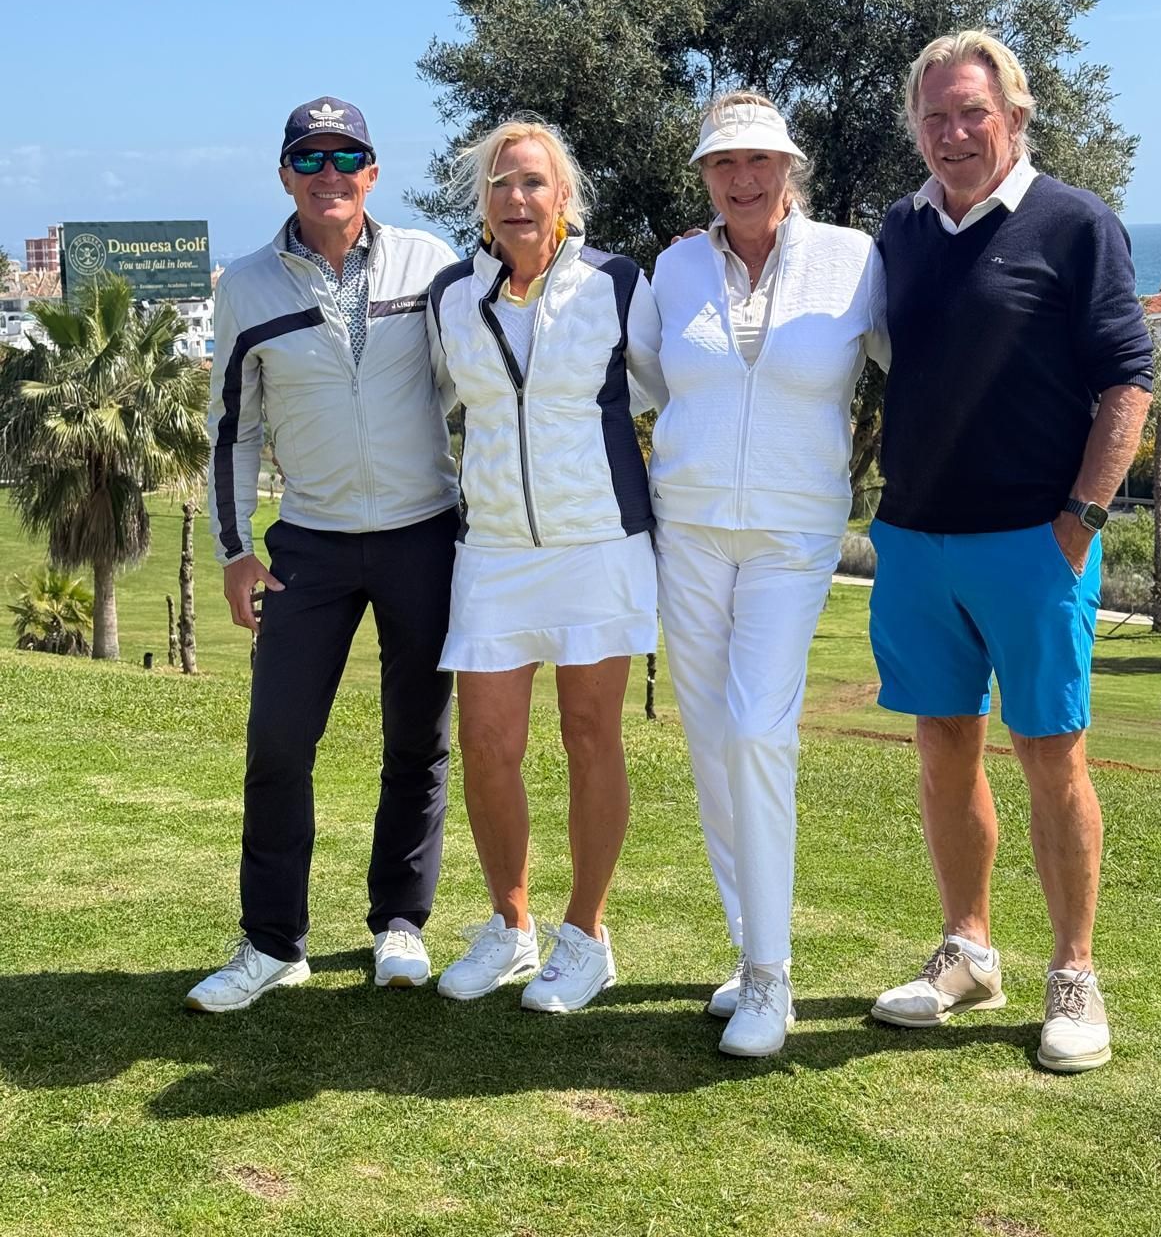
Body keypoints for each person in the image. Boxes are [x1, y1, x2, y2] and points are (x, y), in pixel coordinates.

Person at [868, 31, 1152, 1073]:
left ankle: (1074, 973)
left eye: (972, 113)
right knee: (943, 746)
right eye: (934, 116)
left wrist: (1081, 520)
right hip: (914, 537)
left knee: (1051, 753)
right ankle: (969, 950)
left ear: (1015, 117)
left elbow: (1127, 380)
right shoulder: (900, 228)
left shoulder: (1076, 223)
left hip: (1035, 542)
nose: (952, 133)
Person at [187, 96, 461, 1012]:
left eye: (346, 158)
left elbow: (476, 381)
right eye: (309, 159)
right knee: (277, 739)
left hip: (425, 532)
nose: (329, 174)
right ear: (284, 176)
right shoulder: (247, 286)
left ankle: (400, 923)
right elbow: (233, 429)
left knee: (418, 739)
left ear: (372, 173)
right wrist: (234, 551)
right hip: (307, 541)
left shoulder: (429, 263)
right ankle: (273, 943)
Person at [650, 91, 889, 1056]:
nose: (742, 179)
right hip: (689, 530)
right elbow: (645, 377)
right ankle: (750, 947)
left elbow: (918, 363)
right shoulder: (674, 267)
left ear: (791, 167)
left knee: (757, 729)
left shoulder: (853, 260)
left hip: (794, 534)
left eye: (760, 160)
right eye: (723, 163)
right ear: (706, 176)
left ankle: (771, 975)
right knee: (713, 742)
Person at [426, 119, 666, 1013]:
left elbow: (665, 388)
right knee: (487, 745)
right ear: (481, 203)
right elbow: (435, 401)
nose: (516, 198)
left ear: (563, 196)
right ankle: (510, 924)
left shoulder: (617, 283)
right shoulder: (452, 296)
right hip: (492, 551)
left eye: (532, 182)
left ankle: (586, 935)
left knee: (590, 735)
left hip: (597, 543)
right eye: (499, 184)